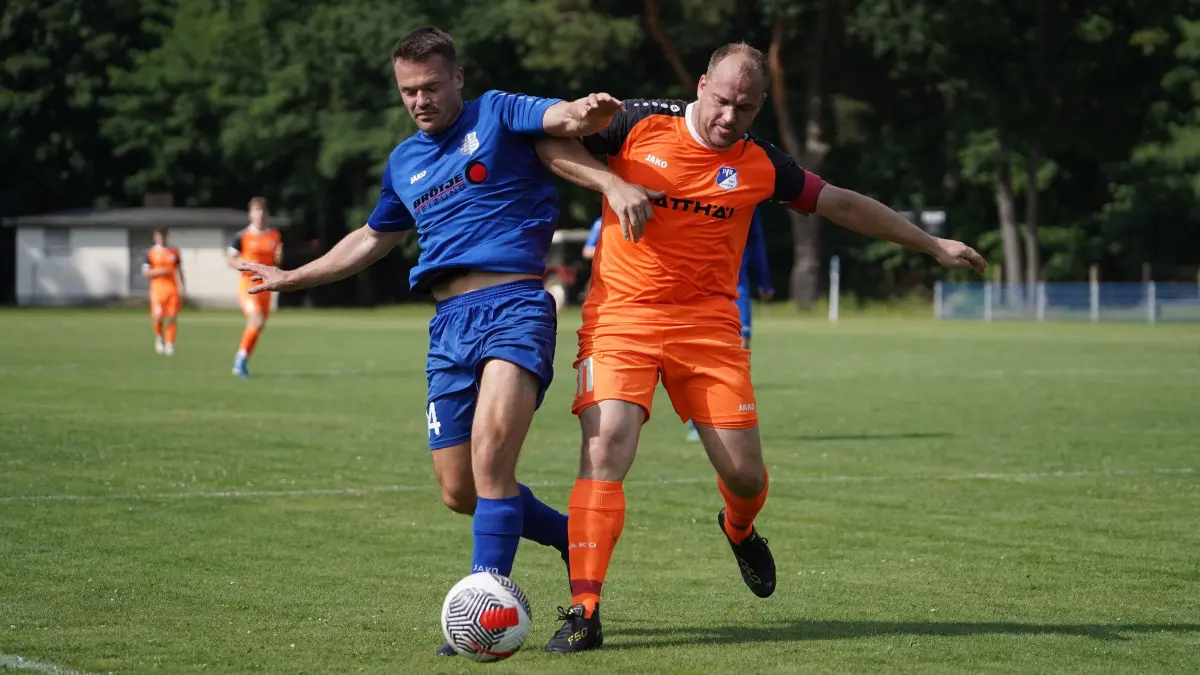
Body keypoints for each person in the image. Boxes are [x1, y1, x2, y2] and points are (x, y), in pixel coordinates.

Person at [534, 42, 987, 652]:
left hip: (709, 330)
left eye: (744, 108)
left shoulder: (761, 165)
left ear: (759, 107)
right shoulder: (634, 122)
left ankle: (739, 528)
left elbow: (842, 204)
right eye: (721, 101)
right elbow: (548, 141)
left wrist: (931, 245)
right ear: (701, 86)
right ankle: (585, 609)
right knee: (607, 443)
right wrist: (610, 183)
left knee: (745, 476)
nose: (728, 117)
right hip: (622, 318)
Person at [233, 27, 657, 657]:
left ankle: (487, 615)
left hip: (513, 308)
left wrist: (588, 124)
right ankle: (573, 537)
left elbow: (558, 121)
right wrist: (292, 276)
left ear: (458, 76)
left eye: (431, 85)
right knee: (460, 489)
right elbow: (372, 237)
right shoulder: (405, 161)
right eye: (409, 91)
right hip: (447, 328)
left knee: (492, 460)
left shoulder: (498, 112)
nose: (420, 100)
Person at [686, 206, 772, 440]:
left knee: (739, 352)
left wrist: (764, 281)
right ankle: (699, 421)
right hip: (700, 287)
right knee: (701, 353)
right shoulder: (691, 196)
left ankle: (731, 418)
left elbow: (757, 242)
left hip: (737, 287)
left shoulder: (747, 198)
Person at [226, 197, 283, 378]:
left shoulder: (274, 235)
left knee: (259, 325)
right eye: (256, 211)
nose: (259, 214)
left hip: (266, 286)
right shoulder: (242, 236)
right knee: (256, 318)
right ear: (250, 214)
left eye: (262, 211)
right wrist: (243, 265)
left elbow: (277, 261)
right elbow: (231, 259)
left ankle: (241, 360)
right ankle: (240, 361)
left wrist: (280, 257)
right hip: (248, 286)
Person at [143, 228, 184, 355]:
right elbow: (145, 272)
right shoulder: (151, 253)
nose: (161, 238)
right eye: (158, 236)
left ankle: (170, 343)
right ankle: (159, 338)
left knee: (172, 317)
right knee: (159, 317)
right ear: (155, 237)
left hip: (172, 288)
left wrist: (183, 287)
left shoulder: (174, 251)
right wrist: (160, 271)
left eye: (163, 235)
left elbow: (180, 270)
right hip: (157, 289)